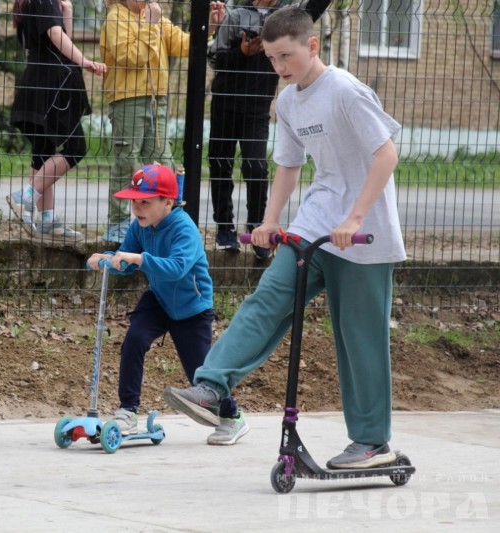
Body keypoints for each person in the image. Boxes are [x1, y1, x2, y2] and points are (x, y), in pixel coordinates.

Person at [165, 6, 407, 464]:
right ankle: (211, 386)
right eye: (272, 59)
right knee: (268, 298)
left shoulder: (345, 91)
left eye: (285, 57)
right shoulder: (291, 101)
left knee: (358, 337)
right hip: (316, 221)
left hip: (363, 232)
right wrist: (270, 220)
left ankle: (373, 440)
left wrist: (355, 217)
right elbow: (289, 164)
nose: (278, 68)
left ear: (311, 46)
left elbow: (387, 155)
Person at [87, 163, 244, 444]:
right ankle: (127, 411)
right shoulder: (140, 227)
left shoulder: (184, 229)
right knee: (134, 338)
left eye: (145, 202)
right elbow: (128, 259)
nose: (138, 209)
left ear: (167, 202)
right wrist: (108, 259)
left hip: (192, 308)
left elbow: (176, 268)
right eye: (135, 202)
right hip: (159, 299)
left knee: (202, 375)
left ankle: (232, 417)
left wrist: (139, 259)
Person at [207, 0, 330, 256]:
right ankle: (225, 229)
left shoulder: (287, 16)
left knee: (256, 165)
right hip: (225, 101)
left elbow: (314, 8)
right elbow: (215, 58)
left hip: (258, 105)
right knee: (221, 163)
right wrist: (242, 52)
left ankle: (257, 229)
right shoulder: (237, 15)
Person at [98, 0, 225, 245]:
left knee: (161, 161)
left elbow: (184, 44)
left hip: (157, 99)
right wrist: (150, 26)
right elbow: (130, 57)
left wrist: (209, 25)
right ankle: (118, 222)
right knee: (128, 160)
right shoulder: (116, 17)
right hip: (127, 97)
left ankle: (166, 220)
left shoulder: (152, 16)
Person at [7, 0, 106, 240]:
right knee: (76, 148)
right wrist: (84, 60)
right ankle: (26, 197)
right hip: (51, 87)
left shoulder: (35, 3)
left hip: (39, 82)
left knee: (44, 152)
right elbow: (55, 35)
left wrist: (68, 11)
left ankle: (48, 220)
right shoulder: (43, 1)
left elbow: (60, 37)